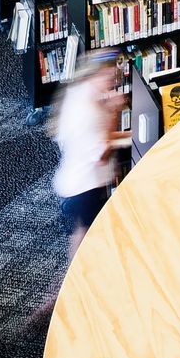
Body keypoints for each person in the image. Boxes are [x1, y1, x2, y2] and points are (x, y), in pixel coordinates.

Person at [50, 51, 127, 259]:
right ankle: (70, 283)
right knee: (85, 235)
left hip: (74, 178)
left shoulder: (78, 90)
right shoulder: (88, 113)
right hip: (86, 184)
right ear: (97, 74)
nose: (112, 84)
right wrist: (114, 111)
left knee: (83, 233)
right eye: (109, 79)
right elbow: (101, 154)